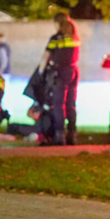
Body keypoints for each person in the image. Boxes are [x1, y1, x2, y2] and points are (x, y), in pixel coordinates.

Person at [37, 12, 80, 146]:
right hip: (73, 71)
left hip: (59, 73)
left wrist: (40, 72)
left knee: (57, 105)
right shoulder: (75, 38)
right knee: (70, 104)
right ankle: (72, 133)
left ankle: (58, 134)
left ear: (57, 24)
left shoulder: (56, 38)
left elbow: (45, 57)